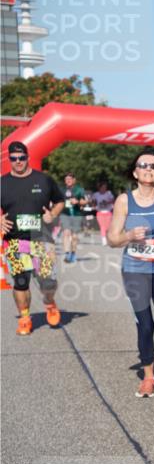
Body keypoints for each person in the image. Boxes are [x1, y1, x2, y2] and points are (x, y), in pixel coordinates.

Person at [106, 149, 154, 397]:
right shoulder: (123, 201)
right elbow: (112, 239)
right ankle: (149, 376)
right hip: (135, 269)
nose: (148, 169)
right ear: (135, 172)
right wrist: (129, 235)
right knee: (145, 325)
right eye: (143, 165)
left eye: (153, 166)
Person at [1, 141, 65, 335]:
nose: (18, 161)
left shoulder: (44, 180)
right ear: (9, 159)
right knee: (20, 282)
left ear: (28, 157)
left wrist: (52, 214)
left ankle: (49, 302)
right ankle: (25, 317)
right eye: (14, 158)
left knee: (48, 282)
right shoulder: (2, 182)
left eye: (22, 158)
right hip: (14, 241)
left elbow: (60, 201)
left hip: (41, 240)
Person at [60, 172, 87, 263]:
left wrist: (78, 202)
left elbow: (85, 202)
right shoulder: (61, 189)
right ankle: (67, 254)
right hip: (65, 214)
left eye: (70, 179)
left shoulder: (79, 189)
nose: (68, 181)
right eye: (66, 179)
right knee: (66, 233)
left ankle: (73, 253)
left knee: (74, 236)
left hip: (77, 214)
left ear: (74, 180)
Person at [92, 182, 115, 246]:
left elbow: (112, 200)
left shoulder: (109, 193)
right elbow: (93, 201)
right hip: (100, 212)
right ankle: (103, 239)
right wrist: (94, 205)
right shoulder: (96, 194)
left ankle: (108, 239)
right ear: (99, 188)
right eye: (102, 187)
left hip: (108, 211)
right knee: (102, 226)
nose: (104, 189)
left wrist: (107, 202)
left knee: (108, 227)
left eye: (105, 187)